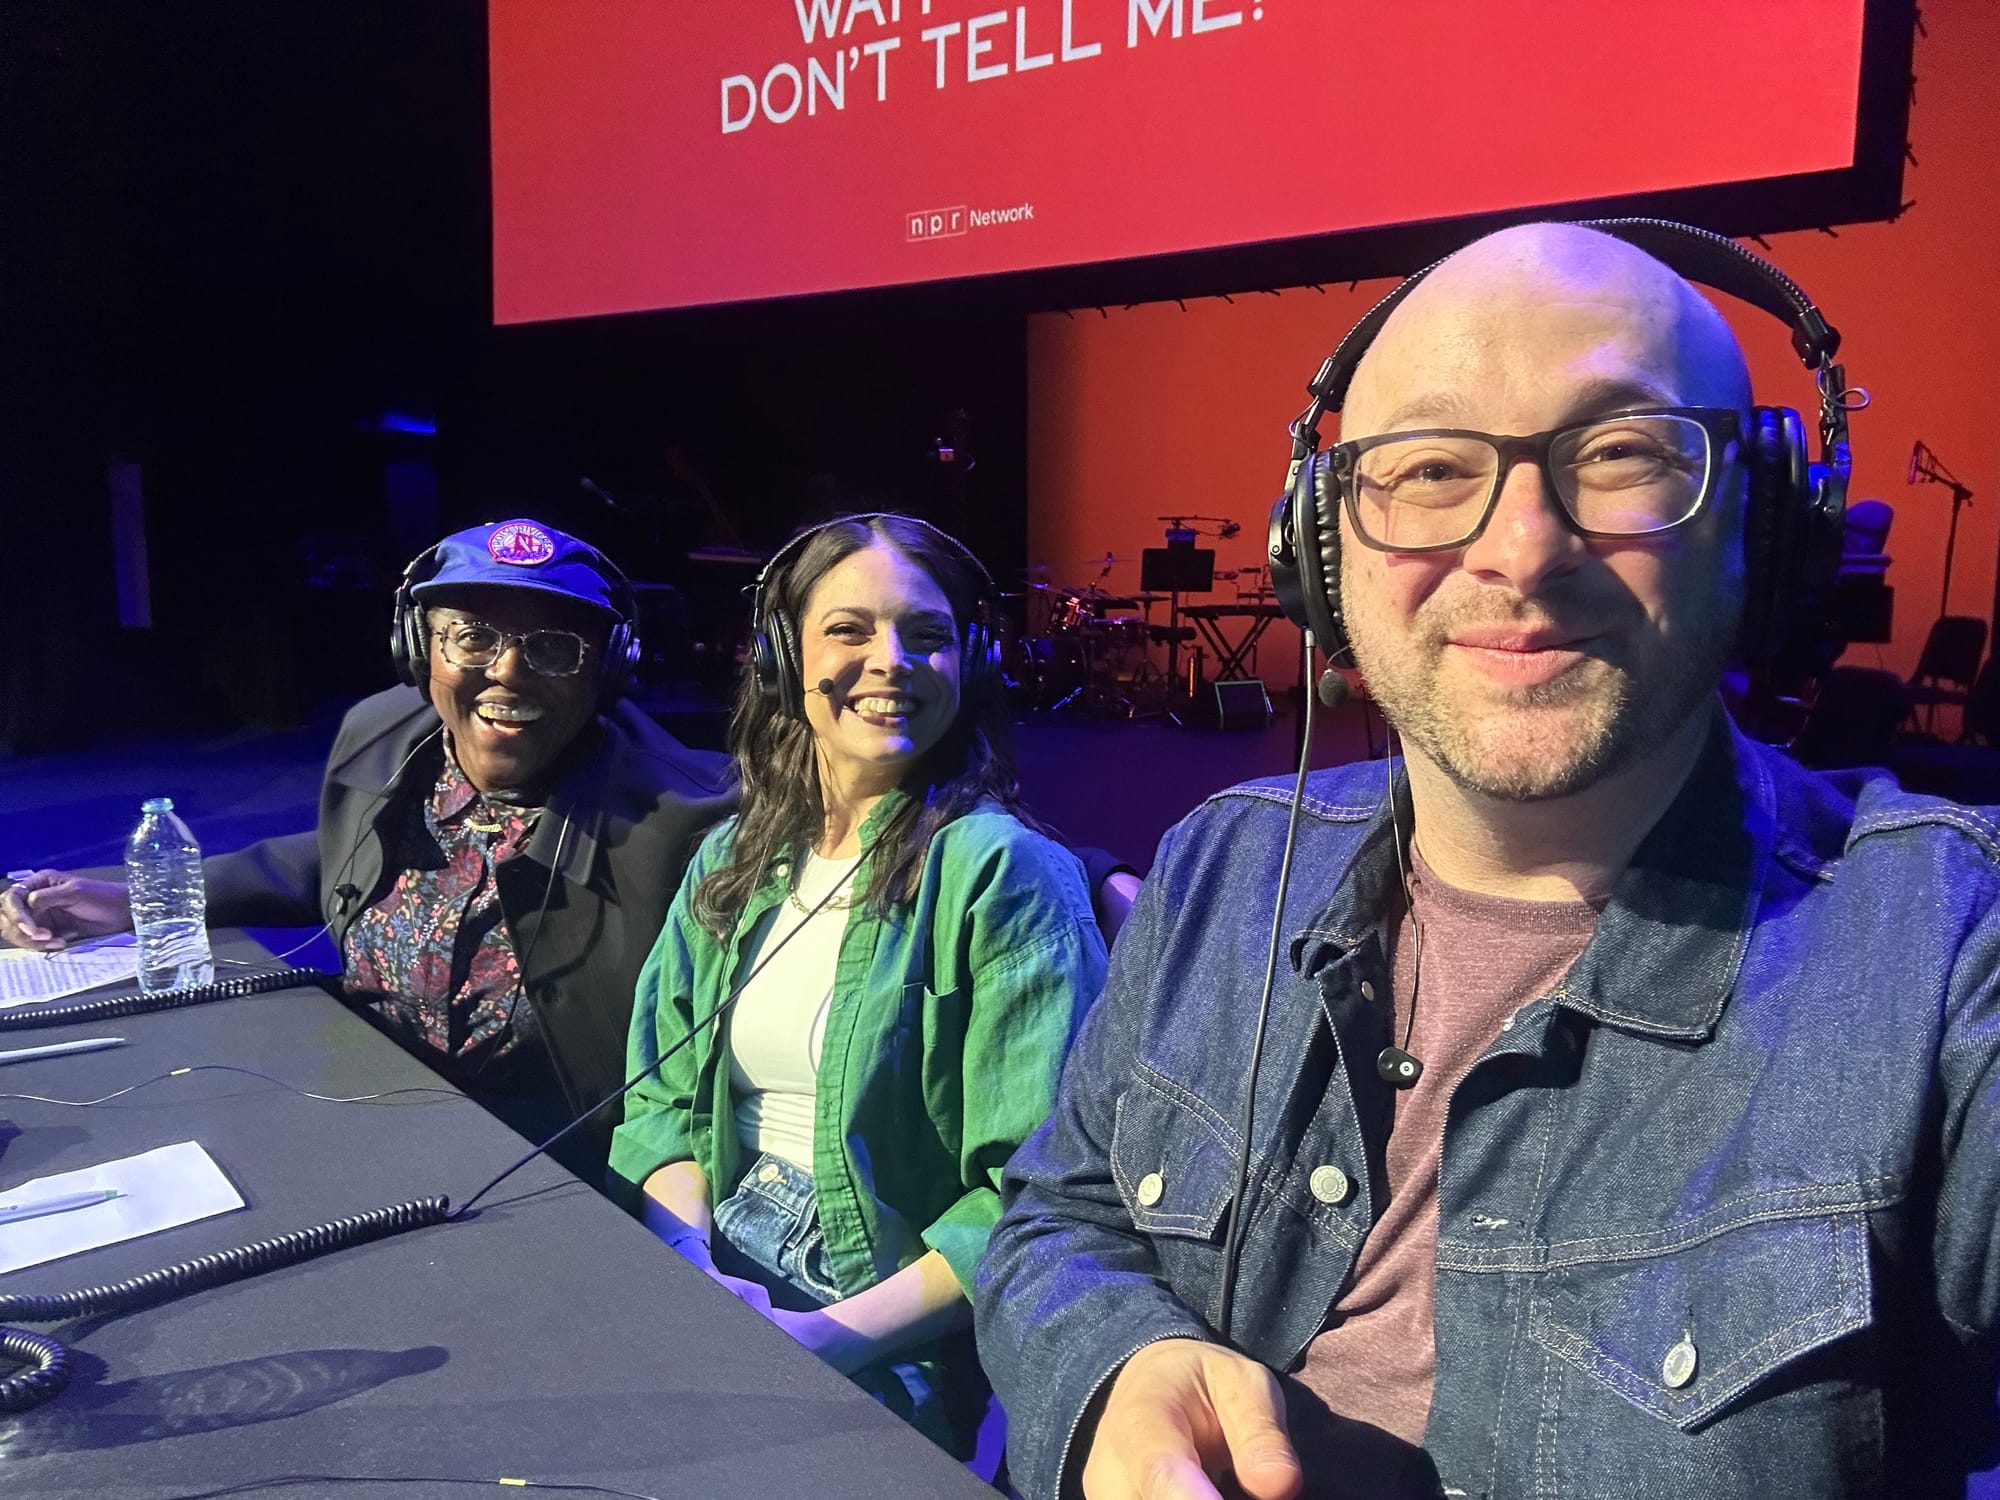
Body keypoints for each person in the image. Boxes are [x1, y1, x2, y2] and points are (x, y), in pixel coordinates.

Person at [975, 223, 2000, 1499]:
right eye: (1428, 468)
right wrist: (1115, 1367)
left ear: (1766, 522)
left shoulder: (1944, 951)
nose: (1519, 549)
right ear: (1322, 547)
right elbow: (1060, 1216)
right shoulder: (1221, 863)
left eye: (1621, 455)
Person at [0, 519, 734, 1176]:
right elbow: (339, 855)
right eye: (472, 636)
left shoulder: (690, 821)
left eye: (554, 648)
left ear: (608, 669)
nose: (507, 671)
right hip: (363, 1081)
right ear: (419, 649)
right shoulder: (386, 735)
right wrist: (139, 899)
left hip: (551, 1150)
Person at [609, 512, 1107, 1457]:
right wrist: (690, 1270)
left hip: (877, 1324)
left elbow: (1033, 1199)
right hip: (710, 1257)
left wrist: (820, 1340)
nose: (890, 661)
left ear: (972, 662)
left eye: (926, 636)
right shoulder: (734, 856)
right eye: (849, 630)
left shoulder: (1002, 873)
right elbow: (660, 1105)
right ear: (780, 657)